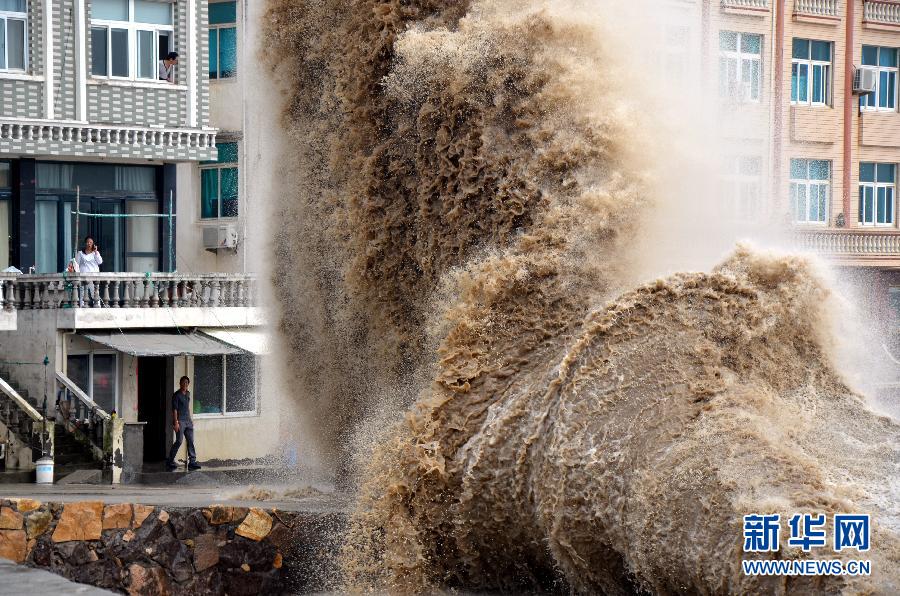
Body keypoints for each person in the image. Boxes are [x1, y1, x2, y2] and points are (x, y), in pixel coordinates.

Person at [166, 376, 201, 471]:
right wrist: (176, 422)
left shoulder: (188, 394)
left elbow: (187, 408)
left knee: (190, 440)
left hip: (188, 421)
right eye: (183, 382)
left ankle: (192, 462)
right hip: (180, 421)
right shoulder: (176, 395)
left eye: (186, 383)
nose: (185, 384)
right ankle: (170, 461)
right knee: (179, 441)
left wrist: (190, 420)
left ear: (188, 384)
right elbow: (175, 410)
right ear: (180, 383)